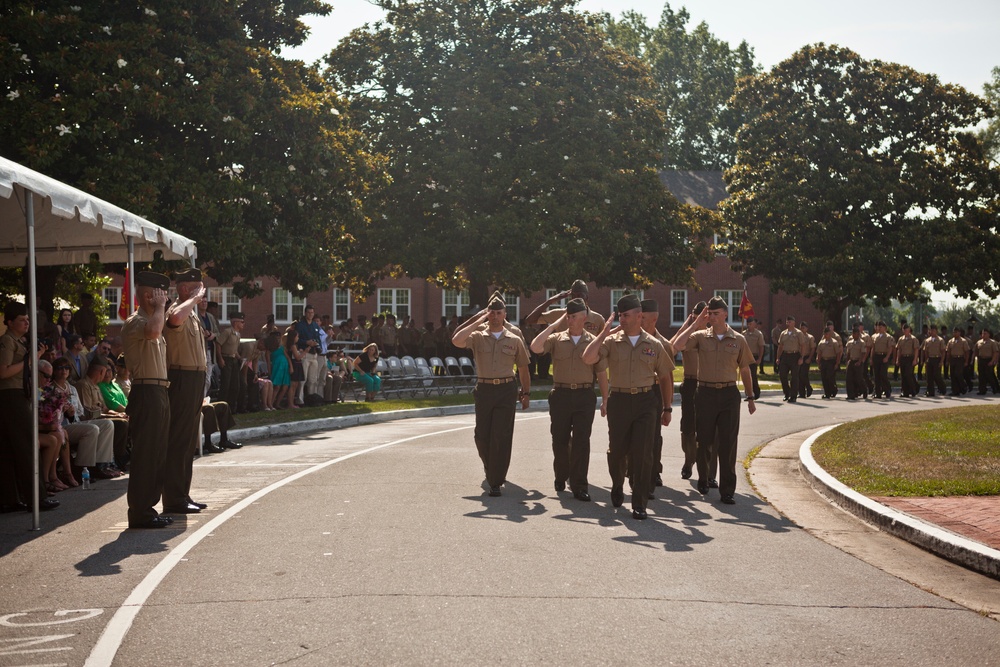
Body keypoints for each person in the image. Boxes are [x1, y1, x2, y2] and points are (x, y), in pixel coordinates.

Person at [582, 293, 673, 519]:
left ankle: (640, 503)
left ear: (639, 316)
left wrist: (667, 407)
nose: (621, 319)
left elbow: (665, 377)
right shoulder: (611, 342)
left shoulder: (654, 345)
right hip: (619, 401)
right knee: (617, 452)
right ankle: (617, 484)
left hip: (645, 402)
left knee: (643, 453)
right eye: (620, 315)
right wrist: (604, 333)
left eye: (626, 315)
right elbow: (587, 358)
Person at [673, 296, 756, 505]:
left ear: (726, 314)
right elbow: (677, 345)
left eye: (715, 313)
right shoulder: (700, 336)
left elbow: (745, 369)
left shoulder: (738, 339)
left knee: (728, 444)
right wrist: (696, 322)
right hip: (705, 393)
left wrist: (751, 396)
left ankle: (727, 490)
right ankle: (703, 477)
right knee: (704, 440)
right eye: (709, 313)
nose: (712, 317)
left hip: (729, 394)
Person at [453, 294, 531, 498]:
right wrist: (479, 320)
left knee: (501, 436)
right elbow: (456, 340)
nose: (495, 316)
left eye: (498, 313)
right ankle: (491, 468)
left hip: (506, 390)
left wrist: (526, 393)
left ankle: (496, 480)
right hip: (485, 389)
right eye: (492, 313)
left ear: (505, 315)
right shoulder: (478, 336)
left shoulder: (514, 339)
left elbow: (523, 368)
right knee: (481, 435)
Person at [530, 298, 607, 502]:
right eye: (568, 316)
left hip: (584, 395)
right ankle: (561, 475)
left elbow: (601, 373)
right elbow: (535, 347)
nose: (570, 320)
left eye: (573, 317)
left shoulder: (593, 341)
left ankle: (579, 484)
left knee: (582, 442)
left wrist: (605, 400)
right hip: (561, 395)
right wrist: (553, 325)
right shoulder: (556, 339)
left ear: (583, 318)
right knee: (560, 440)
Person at [121, 271, 175, 528]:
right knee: (145, 454)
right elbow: (153, 333)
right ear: (146, 295)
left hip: (159, 391)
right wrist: (161, 308)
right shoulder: (136, 321)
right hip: (146, 392)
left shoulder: (154, 318)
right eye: (160, 293)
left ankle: (148, 508)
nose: (164, 297)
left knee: (157, 453)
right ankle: (140, 511)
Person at [163, 268, 209, 515]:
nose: (201, 293)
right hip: (181, 378)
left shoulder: (192, 313)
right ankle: (173, 499)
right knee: (179, 440)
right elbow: (174, 320)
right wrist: (193, 300)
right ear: (182, 289)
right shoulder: (177, 309)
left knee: (189, 440)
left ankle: (182, 494)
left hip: (194, 379)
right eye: (197, 288)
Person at [50, 357, 120, 480]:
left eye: (67, 368)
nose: (64, 371)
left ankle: (101, 465)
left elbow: (80, 412)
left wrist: (73, 413)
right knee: (91, 429)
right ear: (54, 371)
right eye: (60, 368)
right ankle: (83, 468)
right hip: (61, 426)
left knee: (108, 424)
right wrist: (63, 411)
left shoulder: (71, 388)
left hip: (75, 421)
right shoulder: (50, 389)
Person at [525, 279, 606, 336]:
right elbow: (530, 320)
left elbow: (603, 344)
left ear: (587, 297)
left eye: (580, 295)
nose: (576, 298)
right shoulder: (559, 315)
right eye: (573, 295)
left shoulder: (598, 319)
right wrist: (550, 301)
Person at [295, 305, 324, 402]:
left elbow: (319, 339)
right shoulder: (300, 325)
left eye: (312, 312)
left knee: (313, 379)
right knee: (303, 379)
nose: (310, 314)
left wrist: (317, 344)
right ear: (305, 313)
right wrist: (306, 342)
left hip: (314, 354)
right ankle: (300, 399)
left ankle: (312, 399)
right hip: (304, 353)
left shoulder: (315, 325)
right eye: (308, 312)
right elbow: (296, 339)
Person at [217, 312, 245, 410]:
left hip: (233, 360)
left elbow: (235, 350)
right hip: (226, 359)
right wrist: (220, 358)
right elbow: (218, 344)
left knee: (235, 385)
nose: (243, 324)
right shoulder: (227, 332)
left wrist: (239, 358)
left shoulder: (238, 334)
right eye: (242, 322)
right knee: (226, 385)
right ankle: (220, 407)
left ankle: (231, 407)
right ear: (235, 322)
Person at [776, 316, 805, 402]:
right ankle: (787, 393)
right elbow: (780, 346)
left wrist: (801, 357)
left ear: (794, 323)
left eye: (790, 322)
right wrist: (778, 357)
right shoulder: (783, 333)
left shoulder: (798, 333)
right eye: (787, 322)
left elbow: (803, 346)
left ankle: (793, 396)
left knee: (794, 377)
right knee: (782, 376)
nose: (788, 324)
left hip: (795, 355)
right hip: (785, 356)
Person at [816, 325, 843, 399]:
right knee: (824, 377)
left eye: (827, 334)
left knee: (830, 377)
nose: (826, 335)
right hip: (824, 361)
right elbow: (819, 353)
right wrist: (818, 362)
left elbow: (838, 353)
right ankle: (827, 393)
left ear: (830, 334)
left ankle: (833, 390)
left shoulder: (834, 342)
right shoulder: (821, 343)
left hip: (831, 361)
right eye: (825, 334)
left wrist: (837, 363)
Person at [870, 320, 896, 399]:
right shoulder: (874, 336)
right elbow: (873, 348)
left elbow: (890, 348)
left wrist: (887, 357)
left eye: (881, 327)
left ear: (885, 328)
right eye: (878, 327)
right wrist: (871, 358)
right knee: (876, 375)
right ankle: (878, 393)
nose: (879, 328)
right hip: (876, 356)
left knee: (883, 374)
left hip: (884, 356)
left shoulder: (888, 337)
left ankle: (887, 389)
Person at [921, 324, 947, 397]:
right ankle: (930, 391)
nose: (932, 332)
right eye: (931, 330)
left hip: (937, 358)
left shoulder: (940, 340)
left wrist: (941, 361)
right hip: (930, 359)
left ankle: (942, 388)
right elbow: (925, 351)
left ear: (936, 331)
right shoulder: (927, 340)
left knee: (937, 375)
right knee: (929, 376)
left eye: (933, 330)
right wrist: (926, 360)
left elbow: (943, 351)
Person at [895, 323, 921, 398]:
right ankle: (905, 392)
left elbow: (916, 349)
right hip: (903, 358)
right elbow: (899, 350)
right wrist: (897, 359)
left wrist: (915, 359)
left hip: (910, 358)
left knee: (908, 374)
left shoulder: (913, 339)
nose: (905, 331)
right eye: (904, 330)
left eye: (907, 330)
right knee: (903, 376)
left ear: (909, 330)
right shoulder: (901, 339)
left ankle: (913, 390)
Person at [844, 326, 869, 401]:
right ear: (853, 334)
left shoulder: (862, 343)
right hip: (851, 361)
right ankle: (851, 395)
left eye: (858, 333)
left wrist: (860, 361)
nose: (856, 335)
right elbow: (848, 352)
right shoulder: (850, 342)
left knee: (859, 378)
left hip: (858, 361)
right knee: (849, 378)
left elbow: (863, 353)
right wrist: (847, 361)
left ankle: (864, 390)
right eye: (855, 333)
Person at [267, 331, 290, 409]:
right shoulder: (269, 349)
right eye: (276, 338)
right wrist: (269, 372)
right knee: (276, 386)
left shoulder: (282, 347)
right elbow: (268, 362)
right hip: (277, 367)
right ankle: (270, 404)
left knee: (285, 387)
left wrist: (291, 367)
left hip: (285, 367)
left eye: (279, 338)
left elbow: (287, 357)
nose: (278, 339)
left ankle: (277, 403)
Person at [744, 318, 765, 400]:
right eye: (748, 324)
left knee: (752, 375)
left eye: (751, 324)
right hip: (745, 356)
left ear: (754, 325)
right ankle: (748, 394)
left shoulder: (758, 334)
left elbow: (761, 347)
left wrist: (760, 358)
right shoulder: (744, 333)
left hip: (754, 356)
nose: (749, 326)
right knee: (745, 376)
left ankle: (756, 392)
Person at [946, 327, 970, 396]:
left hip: (960, 359)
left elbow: (967, 352)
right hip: (953, 359)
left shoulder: (963, 341)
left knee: (958, 373)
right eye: (954, 332)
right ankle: (955, 391)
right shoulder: (950, 341)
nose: (955, 333)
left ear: (959, 333)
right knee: (953, 375)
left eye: (956, 332)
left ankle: (964, 385)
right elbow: (948, 352)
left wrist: (966, 361)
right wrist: (947, 361)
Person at [975, 329, 1000, 395]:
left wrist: (992, 361)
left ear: (989, 334)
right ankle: (982, 390)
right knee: (981, 376)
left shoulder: (992, 342)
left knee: (989, 375)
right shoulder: (979, 342)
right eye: (983, 333)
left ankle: (995, 388)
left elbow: (995, 352)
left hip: (989, 360)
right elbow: (976, 351)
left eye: (985, 333)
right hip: (981, 360)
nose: (983, 335)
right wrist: (977, 358)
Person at [797, 321, 815, 398]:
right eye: (800, 328)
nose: (801, 329)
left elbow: (813, 348)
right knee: (798, 375)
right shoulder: (797, 337)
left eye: (803, 328)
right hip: (799, 357)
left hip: (806, 357)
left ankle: (808, 388)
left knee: (803, 374)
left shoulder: (810, 337)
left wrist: (810, 358)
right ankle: (801, 393)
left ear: (806, 329)